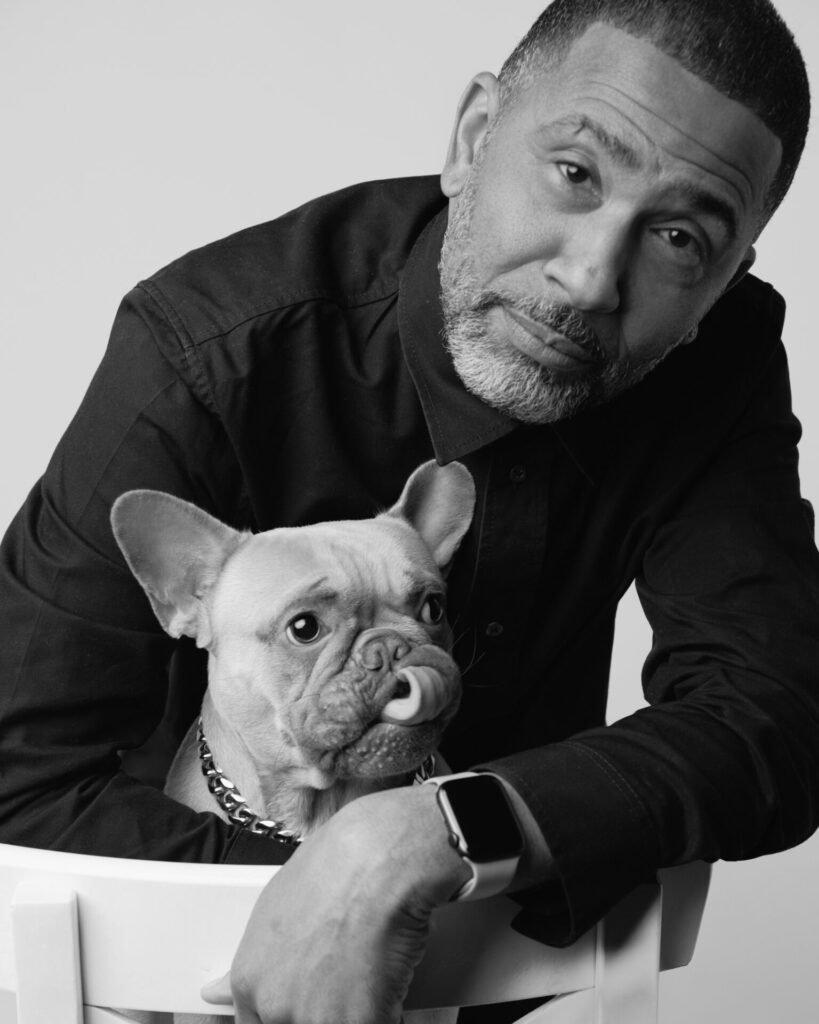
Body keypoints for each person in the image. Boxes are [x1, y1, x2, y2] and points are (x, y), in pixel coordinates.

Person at [0, 0, 817, 1021]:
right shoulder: (207, 352)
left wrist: (426, 832)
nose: (590, 277)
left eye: (680, 237)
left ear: (724, 284)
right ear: (474, 139)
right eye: (573, 173)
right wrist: (307, 882)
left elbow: (773, 720)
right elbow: (19, 774)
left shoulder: (723, 366)